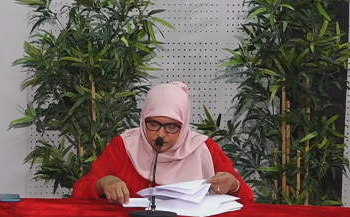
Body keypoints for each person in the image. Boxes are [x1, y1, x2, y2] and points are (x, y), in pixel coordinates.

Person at [72, 82, 255, 204]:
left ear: (184, 125)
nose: (160, 134)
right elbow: (80, 191)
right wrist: (105, 182)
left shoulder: (204, 148)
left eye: (171, 127)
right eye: (153, 124)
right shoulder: (125, 146)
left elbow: (248, 198)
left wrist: (233, 185)